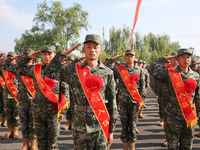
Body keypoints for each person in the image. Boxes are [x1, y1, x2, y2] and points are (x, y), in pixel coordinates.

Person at [16, 44, 80, 150]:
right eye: (44, 54)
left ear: (54, 55)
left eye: (50, 54)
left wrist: (63, 111)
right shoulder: (35, 69)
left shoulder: (60, 69)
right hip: (38, 111)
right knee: (41, 142)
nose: (47, 57)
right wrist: (28, 57)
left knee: (52, 142)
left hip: (53, 111)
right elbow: (18, 68)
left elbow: (65, 90)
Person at [60, 34, 118, 150]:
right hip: (80, 125)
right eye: (89, 46)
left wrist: (111, 130)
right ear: (83, 50)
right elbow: (50, 71)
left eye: (95, 47)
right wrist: (63, 54)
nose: (92, 50)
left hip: (101, 124)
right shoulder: (73, 70)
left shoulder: (108, 72)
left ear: (100, 50)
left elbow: (112, 103)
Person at [147, 48, 200, 150]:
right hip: (172, 116)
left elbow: (198, 97)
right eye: (183, 57)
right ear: (177, 59)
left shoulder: (196, 76)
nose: (186, 60)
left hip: (189, 116)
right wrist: (163, 59)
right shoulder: (169, 73)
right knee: (172, 146)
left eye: (188, 57)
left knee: (187, 145)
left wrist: (198, 114)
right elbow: (151, 68)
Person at [106, 50, 145, 150]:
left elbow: (142, 87)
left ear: (135, 57)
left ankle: (132, 147)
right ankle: (124, 146)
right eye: (127, 56)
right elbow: (107, 68)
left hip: (135, 101)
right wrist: (114, 58)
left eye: (131, 56)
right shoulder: (119, 69)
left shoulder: (140, 70)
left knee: (133, 125)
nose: (130, 58)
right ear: (125, 58)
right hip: (123, 100)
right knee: (124, 124)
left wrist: (141, 101)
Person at [1, 52, 20, 139]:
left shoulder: (19, 68)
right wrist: (7, 60)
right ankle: (9, 131)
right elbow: (2, 64)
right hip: (7, 94)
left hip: (16, 95)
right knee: (9, 113)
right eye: (9, 57)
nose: (10, 59)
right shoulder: (4, 69)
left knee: (16, 114)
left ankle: (15, 131)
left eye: (12, 57)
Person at [0, 53, 7, 127]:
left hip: (6, 87)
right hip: (0, 87)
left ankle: (6, 119)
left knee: (6, 105)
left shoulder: (7, 67)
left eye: (3, 58)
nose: (1, 58)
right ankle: (2, 118)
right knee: (1, 104)